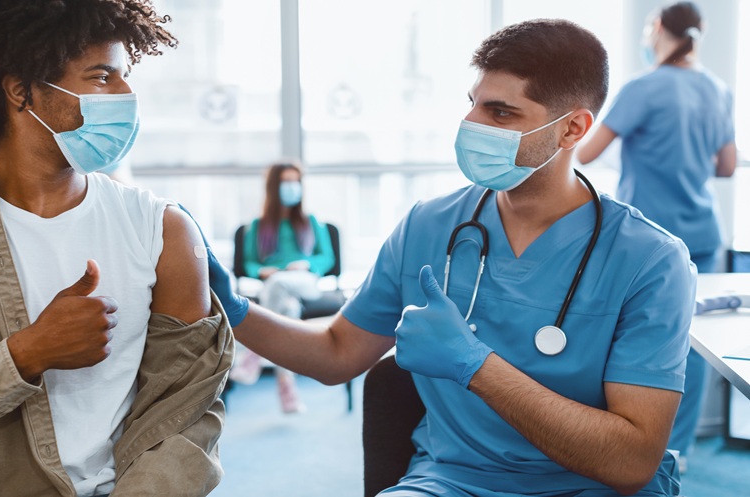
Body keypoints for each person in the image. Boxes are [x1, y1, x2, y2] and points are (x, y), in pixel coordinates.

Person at [207, 18, 697, 497]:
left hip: (591, 487)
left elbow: (630, 463)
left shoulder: (651, 260)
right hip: (453, 481)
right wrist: (235, 309)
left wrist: (474, 364)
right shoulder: (429, 226)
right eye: (474, 105)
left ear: (572, 130)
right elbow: (337, 354)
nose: (471, 125)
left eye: (501, 113)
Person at [0, 1, 233, 496]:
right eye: (101, 77)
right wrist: (24, 355)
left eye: (126, 75)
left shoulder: (164, 231)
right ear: (21, 90)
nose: (127, 94)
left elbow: (187, 415)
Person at [577, 1, 736, 472]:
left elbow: (585, 153)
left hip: (650, 239)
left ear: (660, 29)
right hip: (705, 231)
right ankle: (675, 451)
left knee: (629, 339)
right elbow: (726, 167)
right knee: (693, 343)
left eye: (649, 28)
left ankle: (627, 444)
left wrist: (642, 158)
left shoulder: (644, 88)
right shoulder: (718, 89)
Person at [229, 161, 336, 414]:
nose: (291, 187)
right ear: (273, 187)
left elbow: (327, 258)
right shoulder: (257, 226)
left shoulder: (311, 222)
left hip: (306, 281)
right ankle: (287, 389)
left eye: (295, 182)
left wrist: (305, 264)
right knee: (286, 305)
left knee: (279, 285)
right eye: (285, 182)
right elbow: (250, 262)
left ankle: (255, 352)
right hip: (276, 287)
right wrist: (261, 270)